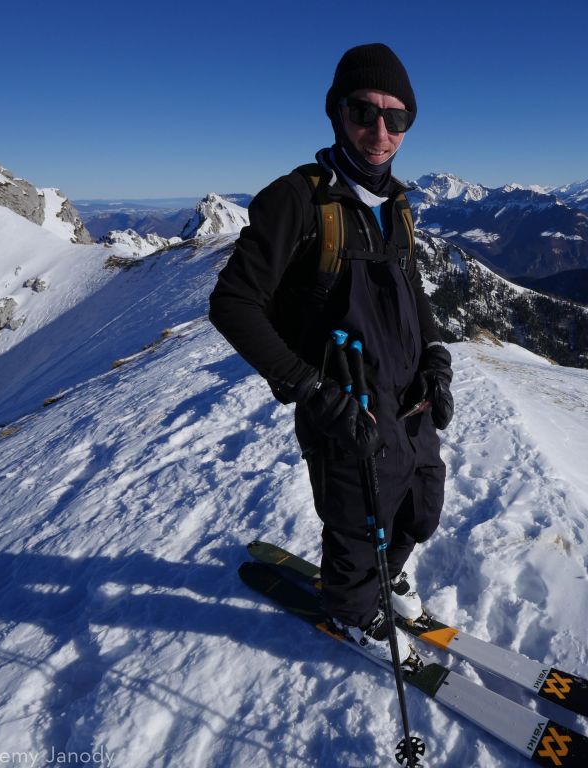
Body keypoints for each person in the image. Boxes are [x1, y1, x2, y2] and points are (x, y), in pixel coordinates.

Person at [209, 43, 452, 662]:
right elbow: (233, 303)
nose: (380, 130)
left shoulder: (396, 204)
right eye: (363, 111)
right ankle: (350, 611)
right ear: (334, 113)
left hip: (408, 396)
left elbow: (409, 290)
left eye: (396, 117)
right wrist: (308, 386)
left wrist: (436, 359)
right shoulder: (297, 200)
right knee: (357, 517)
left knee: (419, 503)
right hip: (343, 402)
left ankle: (387, 577)